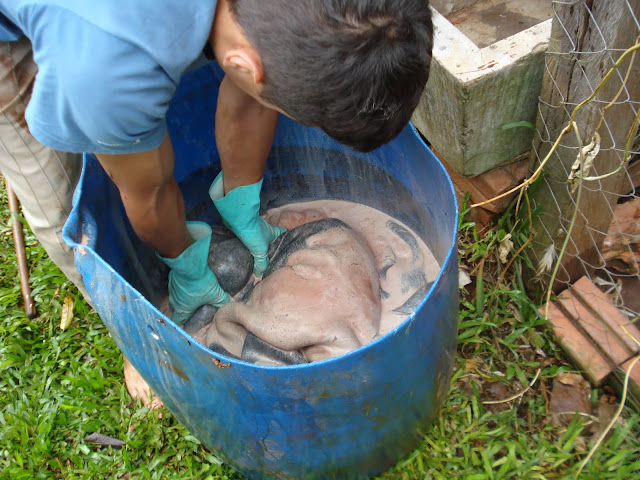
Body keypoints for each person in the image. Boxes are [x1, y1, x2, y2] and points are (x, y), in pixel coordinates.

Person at [0, 0, 434, 405]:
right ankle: (130, 332)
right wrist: (185, 265)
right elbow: (148, 193)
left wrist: (242, 202)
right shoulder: (106, 73)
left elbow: (252, 92)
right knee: (63, 205)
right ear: (241, 63)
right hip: (51, 43)